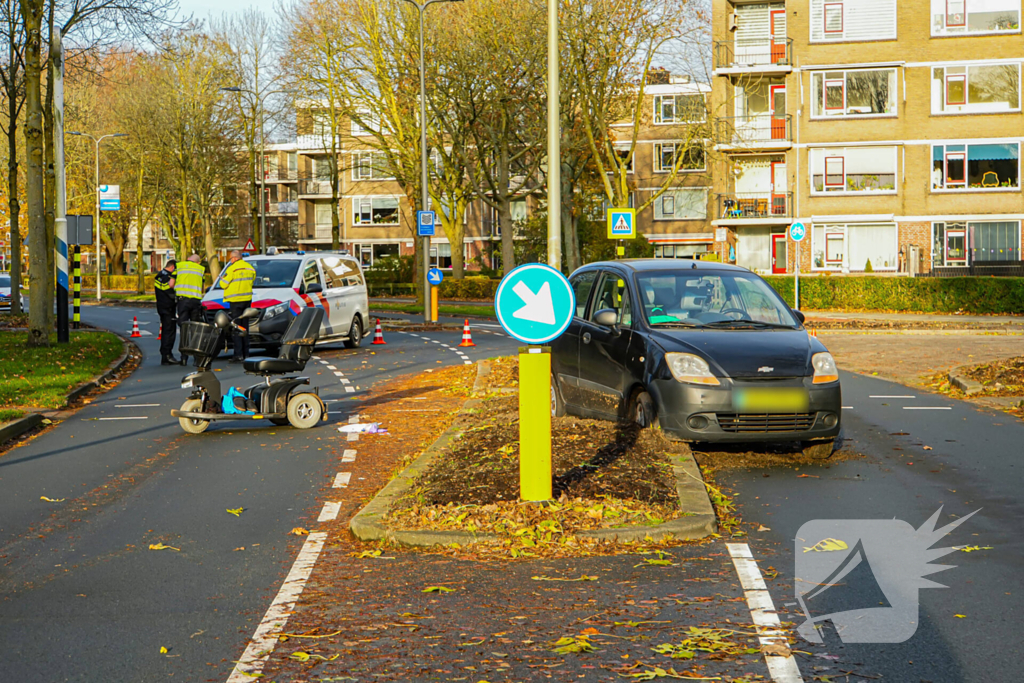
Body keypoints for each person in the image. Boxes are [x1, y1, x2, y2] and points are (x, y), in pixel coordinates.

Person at [220, 250, 256, 363]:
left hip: (235, 301)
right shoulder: (250, 268)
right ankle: (246, 354)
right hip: (247, 300)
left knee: (236, 328)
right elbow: (252, 281)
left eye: (231, 258)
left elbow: (223, 284)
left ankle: (238, 354)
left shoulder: (232, 268)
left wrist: (222, 279)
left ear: (234, 258)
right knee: (245, 328)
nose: (230, 260)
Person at [175, 254, 206, 366]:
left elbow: (171, 284)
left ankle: (184, 357)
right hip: (195, 302)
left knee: (184, 328)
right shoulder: (201, 269)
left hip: (183, 301)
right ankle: (196, 357)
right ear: (198, 262)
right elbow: (202, 288)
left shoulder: (179, 266)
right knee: (195, 329)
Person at [154, 259, 180, 365]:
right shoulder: (165, 277)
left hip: (164, 306)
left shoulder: (160, 275)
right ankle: (167, 355)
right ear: (173, 267)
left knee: (167, 330)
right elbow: (168, 288)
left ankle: (166, 355)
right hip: (167, 307)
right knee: (169, 331)